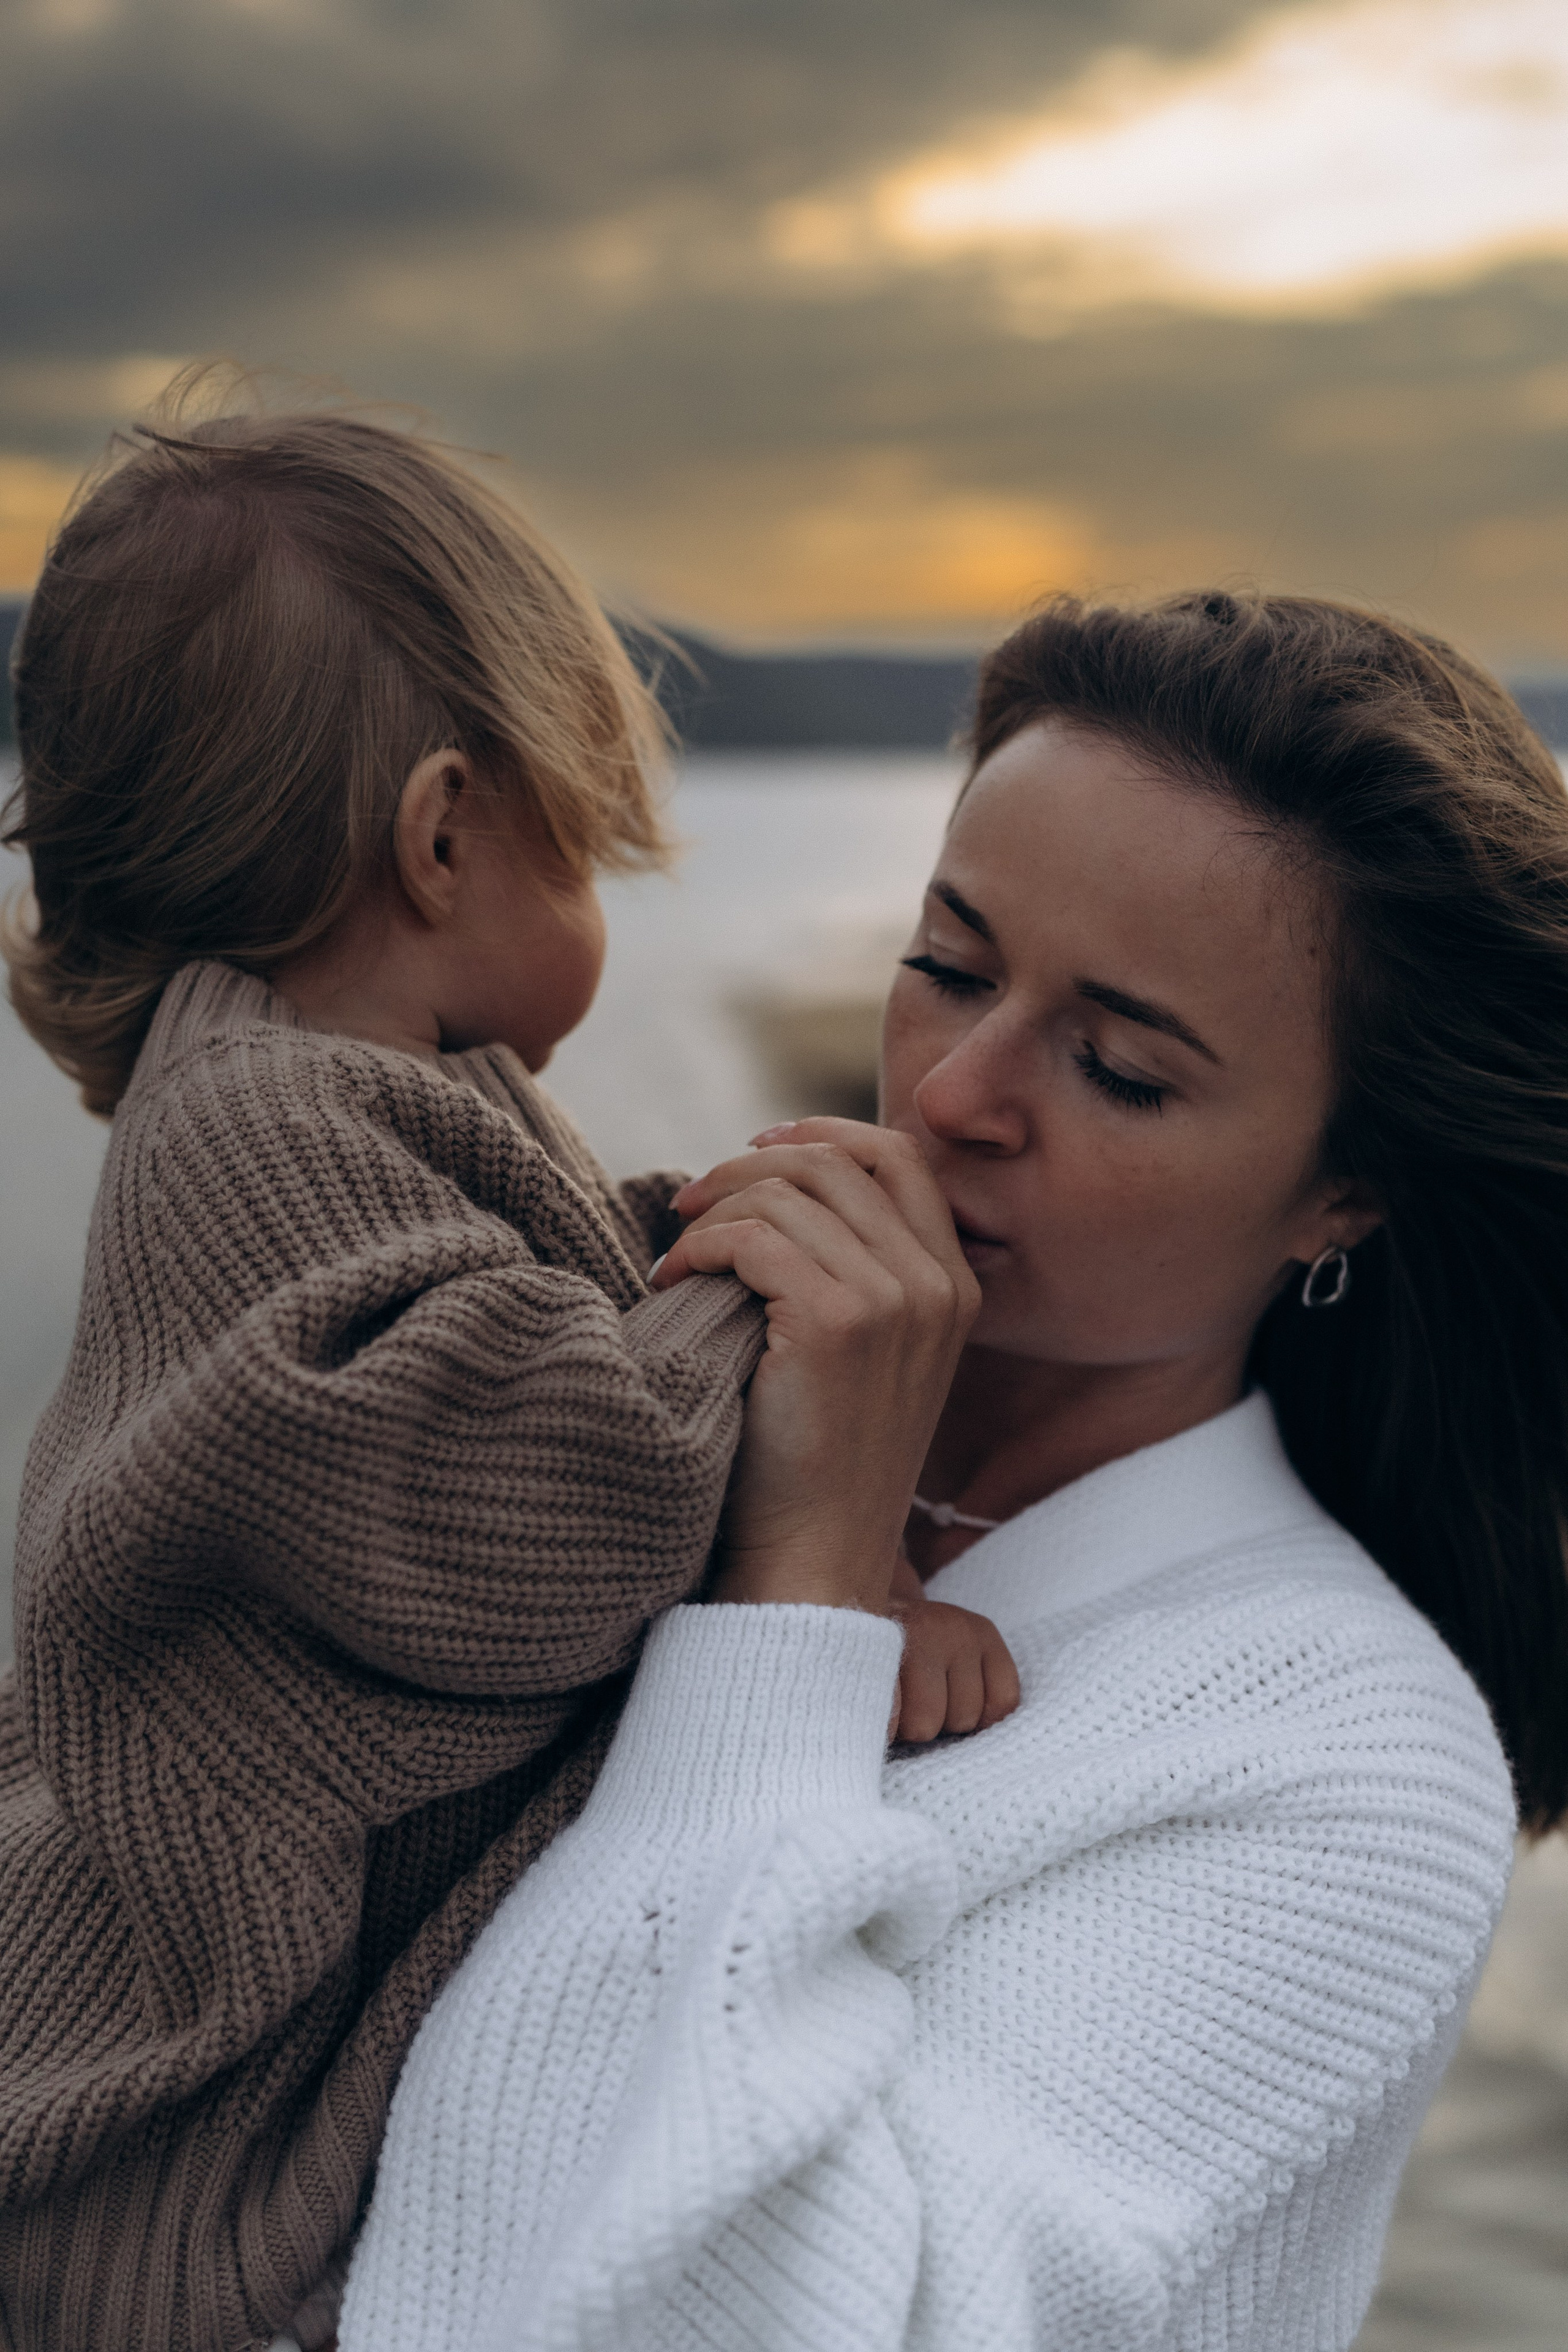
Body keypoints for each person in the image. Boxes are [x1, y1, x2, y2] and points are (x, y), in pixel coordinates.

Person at [341, 590, 1568, 2352]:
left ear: (1342, 1195)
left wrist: (807, 1602)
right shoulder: (607, 1385)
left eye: (1123, 1069)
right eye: (948, 966)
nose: (957, 1096)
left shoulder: (1352, 1771)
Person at [0, 381, 1012, 2352]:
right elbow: (544, 1504)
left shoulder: (377, 1107)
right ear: (446, 832)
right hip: (171, 2179)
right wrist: (771, 1296)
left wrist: (689, 1245)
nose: (610, 904)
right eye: (592, 850)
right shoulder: (257, 1130)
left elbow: (526, 1308)